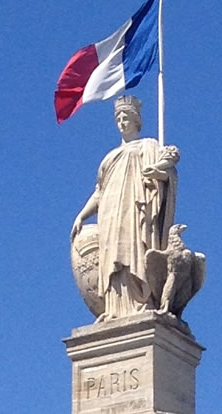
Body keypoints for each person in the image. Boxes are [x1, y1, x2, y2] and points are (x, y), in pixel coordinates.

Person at [70, 96, 179, 322]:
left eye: (126, 116)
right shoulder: (109, 157)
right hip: (111, 212)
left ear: (136, 120)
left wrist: (160, 174)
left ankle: (141, 300)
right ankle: (114, 307)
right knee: (112, 256)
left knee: (134, 251)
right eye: (118, 117)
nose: (121, 120)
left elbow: (165, 176)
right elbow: (100, 192)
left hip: (136, 208)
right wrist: (82, 214)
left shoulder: (148, 146)